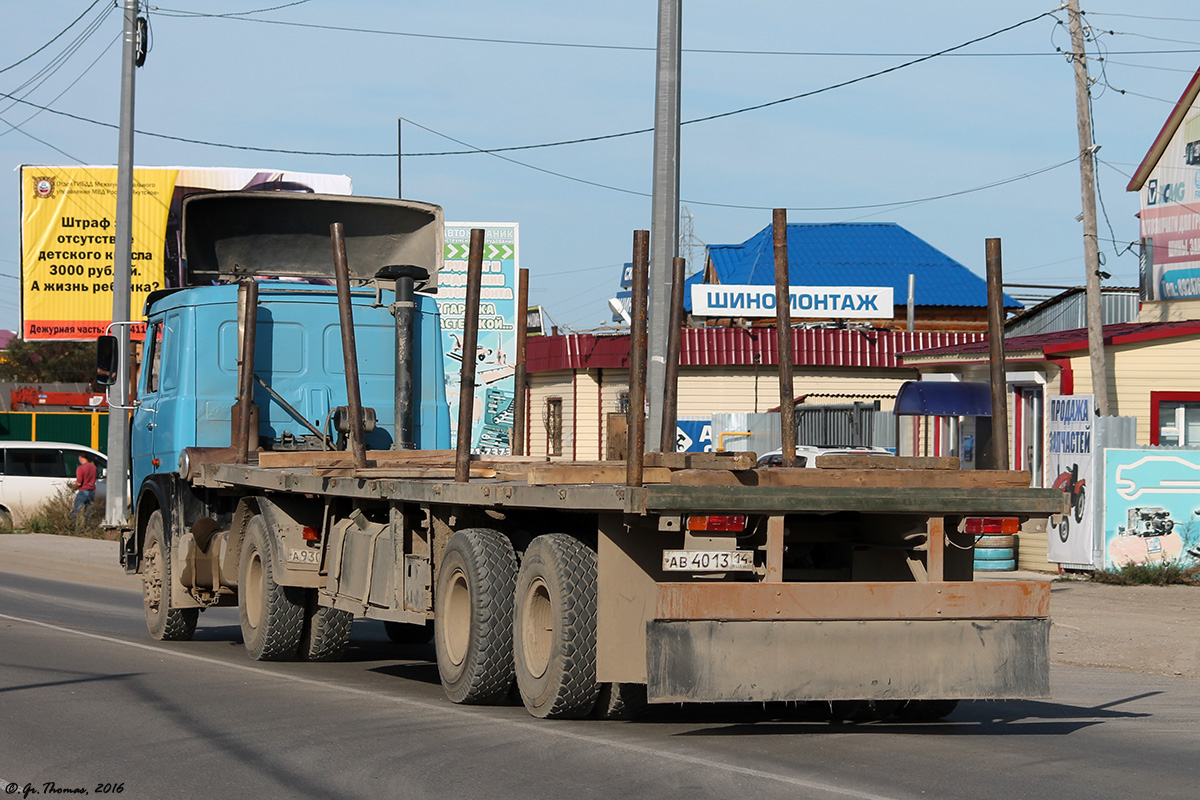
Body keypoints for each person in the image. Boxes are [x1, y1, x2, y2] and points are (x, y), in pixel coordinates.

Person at [71, 453, 97, 521]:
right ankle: (87, 526)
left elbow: (79, 483)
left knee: (76, 510)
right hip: (91, 492)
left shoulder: (80, 468)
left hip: (83, 491)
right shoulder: (94, 467)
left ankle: (72, 524)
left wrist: (73, 487)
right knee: (88, 512)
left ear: (80, 457)